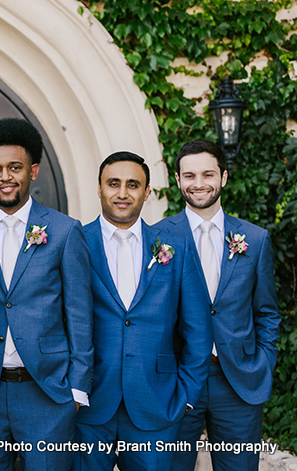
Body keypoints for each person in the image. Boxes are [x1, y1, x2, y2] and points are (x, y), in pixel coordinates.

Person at [0, 118, 93, 471]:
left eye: (15, 167)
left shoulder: (64, 232)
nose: (6, 177)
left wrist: (76, 390)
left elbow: (79, 313)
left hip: (47, 393)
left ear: (33, 171)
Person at [73, 151, 212, 471]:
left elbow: (198, 328)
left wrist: (187, 394)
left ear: (147, 192)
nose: (122, 193)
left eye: (133, 184)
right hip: (90, 405)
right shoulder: (75, 239)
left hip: (157, 403)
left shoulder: (176, 244)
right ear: (99, 188)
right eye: (113, 184)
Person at [154, 139, 280, 471]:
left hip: (238, 382)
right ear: (178, 181)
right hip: (178, 381)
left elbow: (266, 311)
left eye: (207, 174)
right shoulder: (156, 238)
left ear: (223, 177)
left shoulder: (254, 239)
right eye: (189, 175)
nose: (198, 184)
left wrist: (262, 363)